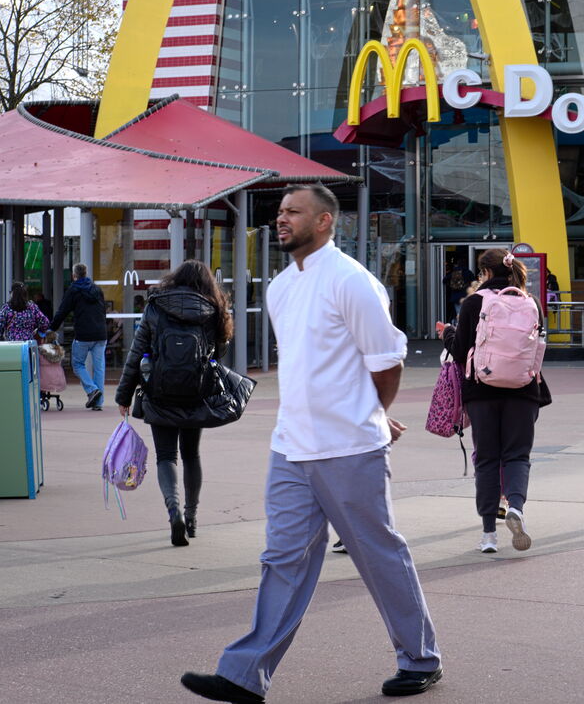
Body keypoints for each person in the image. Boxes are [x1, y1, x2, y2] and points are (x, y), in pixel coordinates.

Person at [181, 184, 441, 703]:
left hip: (349, 450)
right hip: (290, 448)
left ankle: (420, 659)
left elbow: (386, 362)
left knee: (378, 554)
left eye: (294, 212)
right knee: (282, 559)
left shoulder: (353, 282)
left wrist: (371, 415)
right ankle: (244, 674)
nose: (282, 219)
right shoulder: (280, 287)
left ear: (325, 221)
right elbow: (308, 369)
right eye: (280, 212)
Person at [438, 248, 551, 554]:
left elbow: (459, 351)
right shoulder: (531, 302)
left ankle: (489, 534)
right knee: (517, 456)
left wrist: (448, 333)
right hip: (524, 391)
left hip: (482, 392)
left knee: (487, 459)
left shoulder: (474, 302)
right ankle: (515, 507)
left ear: (485, 273)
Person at [114, 260, 232, 547]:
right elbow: (220, 350)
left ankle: (173, 510)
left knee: (166, 456)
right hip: (195, 391)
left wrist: (124, 395)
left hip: (160, 390)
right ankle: (191, 518)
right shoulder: (212, 309)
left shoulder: (156, 305)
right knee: (191, 454)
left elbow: (137, 351)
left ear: (175, 279)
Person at [51, 263, 109, 410]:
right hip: (100, 334)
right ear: (86, 273)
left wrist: (51, 328)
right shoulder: (97, 289)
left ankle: (92, 390)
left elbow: (62, 311)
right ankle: (98, 403)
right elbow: (103, 310)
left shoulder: (73, 290)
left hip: (83, 334)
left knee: (77, 365)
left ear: (74, 275)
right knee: (99, 368)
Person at [39, 331, 67, 406]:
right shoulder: (58, 349)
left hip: (44, 377)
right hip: (58, 377)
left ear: (44, 339)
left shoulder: (40, 350)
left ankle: (42, 399)